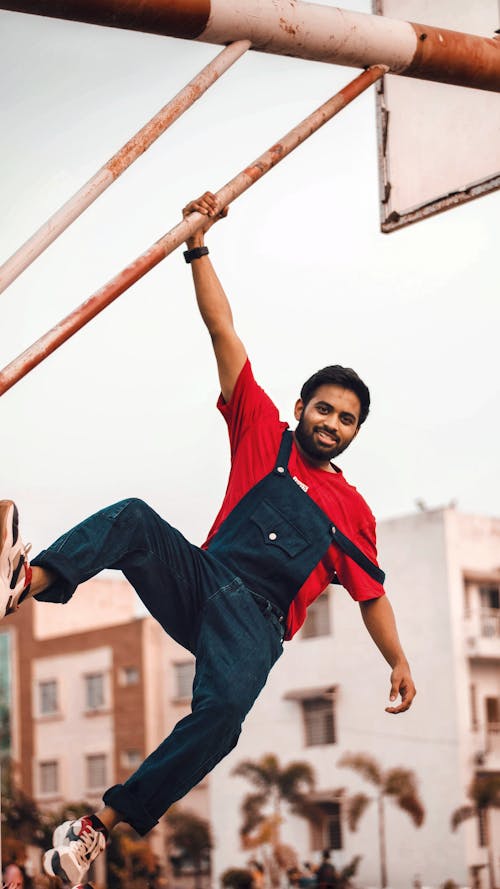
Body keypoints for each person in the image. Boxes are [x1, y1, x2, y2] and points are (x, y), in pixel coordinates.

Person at [0, 192, 416, 886]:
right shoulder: (261, 431)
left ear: (354, 432)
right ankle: (24, 584)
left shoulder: (354, 512)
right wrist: (197, 246)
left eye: (346, 419)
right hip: (203, 578)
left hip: (254, 628)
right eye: (323, 408)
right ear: (300, 408)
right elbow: (223, 330)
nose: (331, 423)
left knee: (222, 717)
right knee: (133, 517)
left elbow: (372, 596)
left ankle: (96, 827)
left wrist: (397, 659)